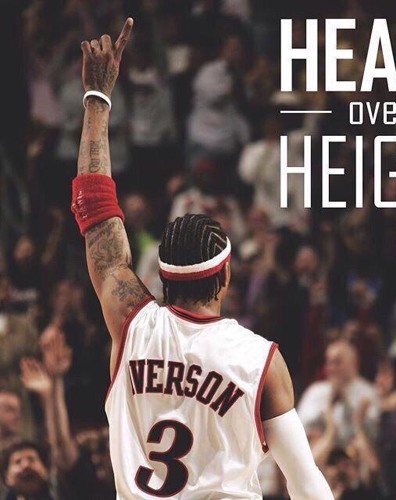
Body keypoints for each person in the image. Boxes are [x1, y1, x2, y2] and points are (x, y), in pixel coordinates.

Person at [71, 18, 333, 499]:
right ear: (225, 275)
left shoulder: (131, 323)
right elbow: (306, 483)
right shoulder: (260, 360)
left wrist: (97, 97)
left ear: (163, 277)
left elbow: (95, 209)